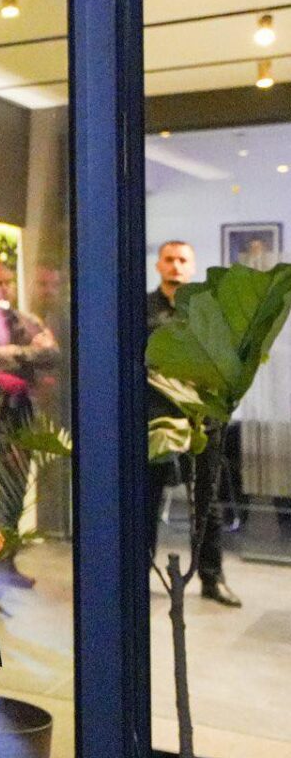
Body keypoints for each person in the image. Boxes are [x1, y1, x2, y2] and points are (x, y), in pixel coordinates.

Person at [146, 240, 240, 606]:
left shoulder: (209, 311)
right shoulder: (142, 308)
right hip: (156, 416)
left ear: (192, 266)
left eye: (182, 260)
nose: (175, 266)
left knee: (207, 503)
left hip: (201, 419)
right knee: (146, 499)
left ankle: (211, 579)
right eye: (169, 259)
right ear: (159, 265)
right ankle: (139, 576)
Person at [0, 262, 59, 586]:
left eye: (7, 282)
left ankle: (6, 563)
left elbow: (51, 355)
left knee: (14, 491)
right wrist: (28, 352)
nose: (2, 289)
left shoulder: (25, 320)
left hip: (21, 413)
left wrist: (11, 354)